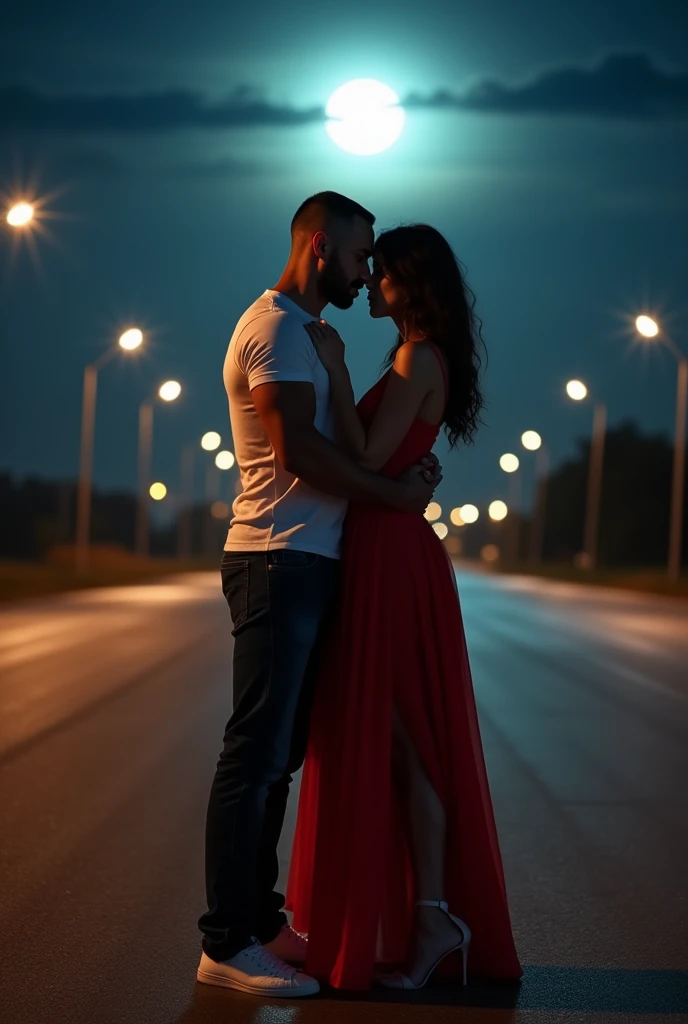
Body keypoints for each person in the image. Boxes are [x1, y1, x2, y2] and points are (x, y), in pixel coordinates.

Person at [196, 193, 442, 998]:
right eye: (360, 253)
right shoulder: (274, 330)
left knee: (280, 759)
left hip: (307, 560)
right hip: (276, 559)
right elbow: (297, 451)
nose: (368, 270)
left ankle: (261, 922)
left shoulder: (309, 336)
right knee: (256, 754)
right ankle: (228, 943)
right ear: (317, 245)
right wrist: (388, 492)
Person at [286, 224, 523, 990]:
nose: (370, 284)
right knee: (392, 738)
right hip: (383, 547)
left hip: (389, 555)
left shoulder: (415, 357)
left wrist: (334, 365)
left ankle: (431, 916)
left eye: (382, 272)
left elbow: (359, 457)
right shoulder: (417, 357)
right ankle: (422, 917)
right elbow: (384, 452)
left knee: (404, 738)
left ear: (410, 284)